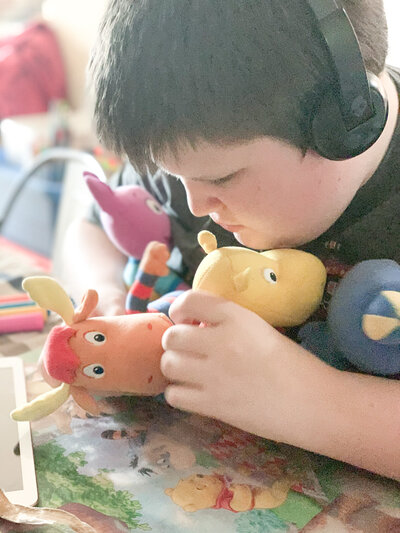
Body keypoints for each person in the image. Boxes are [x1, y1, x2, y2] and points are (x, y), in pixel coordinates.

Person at [62, 0, 400, 480]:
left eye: (222, 178)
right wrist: (108, 300)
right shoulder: (201, 137)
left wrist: (310, 401)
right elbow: (92, 227)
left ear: (346, 125)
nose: (195, 203)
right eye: (171, 174)